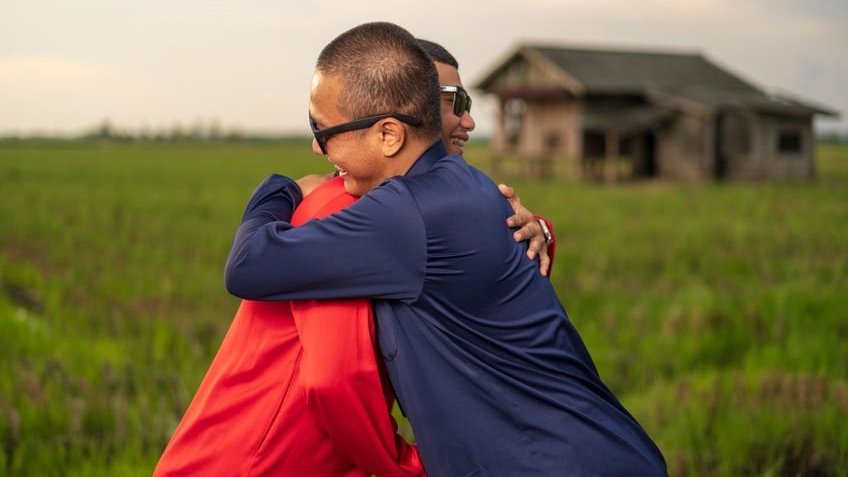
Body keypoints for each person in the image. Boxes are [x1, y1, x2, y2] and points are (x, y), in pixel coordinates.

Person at [225, 22, 667, 477]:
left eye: (324, 129)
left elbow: (248, 265)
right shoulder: (466, 184)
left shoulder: (405, 212)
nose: (317, 148)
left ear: (390, 135)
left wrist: (281, 189)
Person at [153, 36, 554, 476]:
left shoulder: (414, 209)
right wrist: (414, 466)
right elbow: (334, 378)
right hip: (256, 460)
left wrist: (541, 230)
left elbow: (473, 239)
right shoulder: (358, 214)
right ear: (396, 113)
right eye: (450, 99)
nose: (468, 118)